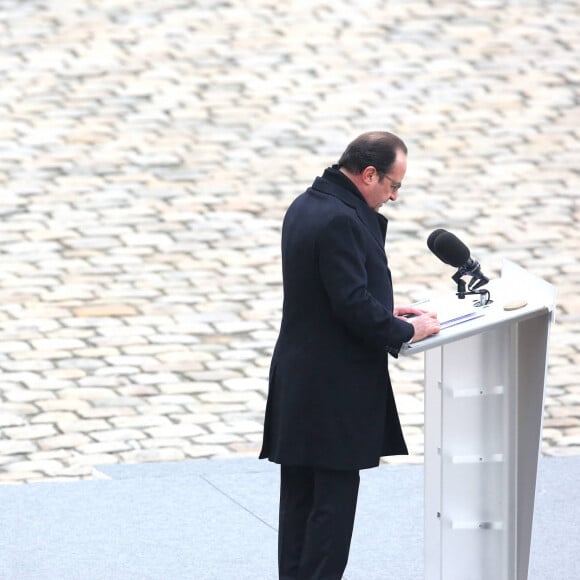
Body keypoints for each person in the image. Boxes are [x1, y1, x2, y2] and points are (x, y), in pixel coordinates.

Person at [259, 131, 440, 579]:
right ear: (369, 174)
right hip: (333, 388)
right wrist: (403, 329)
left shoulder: (306, 203)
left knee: (300, 502)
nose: (394, 197)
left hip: (302, 378)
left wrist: (382, 305)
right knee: (331, 511)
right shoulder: (341, 219)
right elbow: (350, 305)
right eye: (393, 186)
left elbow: (328, 291)